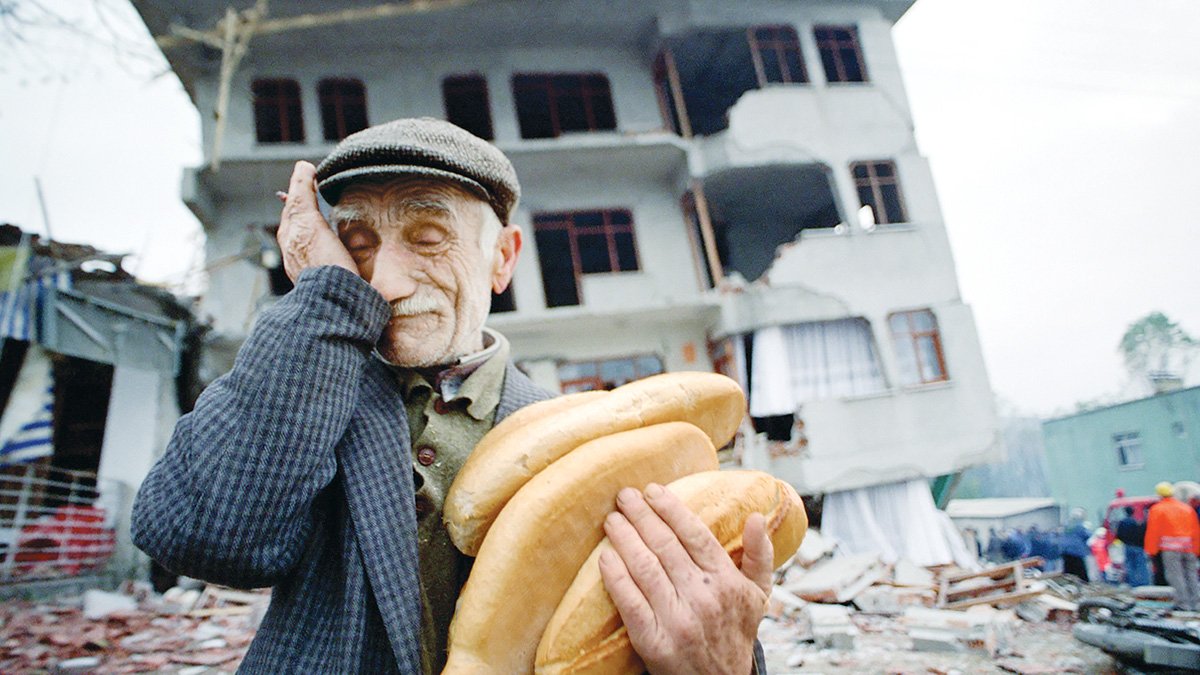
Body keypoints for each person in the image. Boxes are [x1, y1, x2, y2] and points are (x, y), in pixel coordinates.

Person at [131, 119, 772, 673]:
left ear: (503, 259)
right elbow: (200, 537)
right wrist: (325, 296)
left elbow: (671, 627)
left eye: (428, 237)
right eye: (357, 246)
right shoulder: (303, 392)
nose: (384, 283)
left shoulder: (592, 438)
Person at [1144, 481, 1200, 611]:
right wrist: (1197, 549)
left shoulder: (1157, 509)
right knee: (1191, 575)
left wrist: (1151, 550)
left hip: (1171, 549)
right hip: (1189, 548)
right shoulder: (1186, 508)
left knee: (1176, 576)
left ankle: (1183, 604)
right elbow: (1195, 530)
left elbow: (1153, 531)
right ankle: (1196, 603)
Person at [1115, 506, 1150, 587]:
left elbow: (1118, 535)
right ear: (1133, 512)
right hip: (1138, 546)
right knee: (1141, 564)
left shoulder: (1122, 522)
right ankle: (1144, 581)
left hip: (1127, 546)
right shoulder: (1136, 522)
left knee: (1130, 565)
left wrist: (1124, 541)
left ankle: (1133, 582)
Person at [1060, 509, 1093, 582]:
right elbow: (1087, 535)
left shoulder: (1067, 525)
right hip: (1076, 552)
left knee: (1068, 571)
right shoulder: (1080, 526)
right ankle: (1084, 583)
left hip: (1065, 551)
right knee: (1081, 572)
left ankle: (1068, 583)